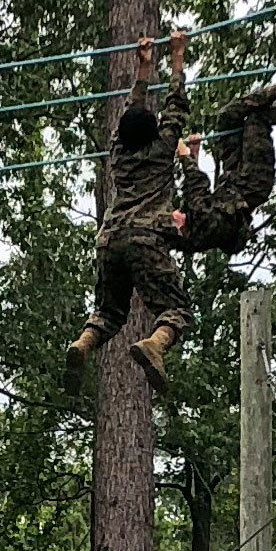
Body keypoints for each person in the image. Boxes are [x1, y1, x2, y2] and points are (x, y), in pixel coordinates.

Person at [71, 32, 192, 391]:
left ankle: (83, 344)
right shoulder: (162, 148)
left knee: (109, 312)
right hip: (145, 236)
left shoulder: (118, 154)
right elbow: (176, 106)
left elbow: (130, 110)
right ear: (155, 133)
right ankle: (155, 344)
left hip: (109, 239)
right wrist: (177, 56)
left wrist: (143, 65)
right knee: (176, 310)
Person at [172, 64, 276, 257]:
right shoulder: (201, 231)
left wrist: (193, 154)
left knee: (227, 118)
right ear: (180, 228)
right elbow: (196, 185)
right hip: (252, 183)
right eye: (174, 219)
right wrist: (183, 156)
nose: (175, 214)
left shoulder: (192, 219)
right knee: (257, 120)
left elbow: (195, 194)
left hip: (233, 177)